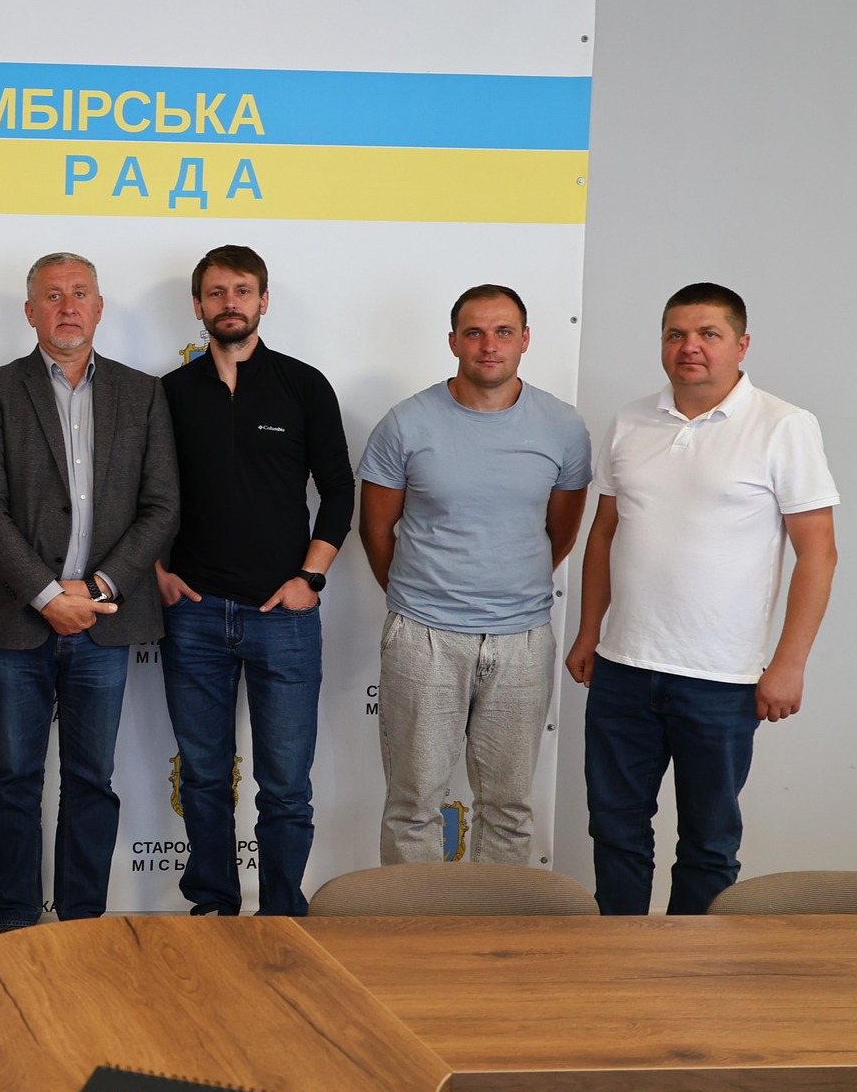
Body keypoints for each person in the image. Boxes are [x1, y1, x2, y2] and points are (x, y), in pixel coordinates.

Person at [567, 283, 837, 915]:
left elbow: (819, 552)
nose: (690, 347)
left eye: (708, 334)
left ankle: (692, 969)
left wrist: (789, 664)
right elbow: (603, 534)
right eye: (676, 334)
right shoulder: (631, 421)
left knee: (709, 843)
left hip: (721, 678)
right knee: (615, 830)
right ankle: (619, 958)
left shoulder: (783, 425)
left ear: (742, 345)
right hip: (623, 669)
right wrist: (589, 632)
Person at [0, 253, 178, 931]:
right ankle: (17, 925)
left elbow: (163, 506)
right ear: (30, 311)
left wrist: (98, 586)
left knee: (91, 779)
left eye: (80, 293)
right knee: (15, 778)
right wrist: (47, 594)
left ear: (99, 307)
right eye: (52, 295)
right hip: (18, 620)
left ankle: (83, 925)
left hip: (104, 622)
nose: (67, 306)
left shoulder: (143, 394)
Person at [358, 285, 590, 865]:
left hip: (523, 639)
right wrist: (425, 595)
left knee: (508, 807)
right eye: (475, 333)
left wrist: (507, 585)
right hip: (423, 637)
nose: (490, 345)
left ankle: (494, 921)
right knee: (414, 804)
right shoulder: (406, 423)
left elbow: (560, 532)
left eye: (503, 332)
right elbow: (376, 530)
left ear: (525, 340)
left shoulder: (563, 426)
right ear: (454, 341)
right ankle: (417, 923)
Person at [159, 244, 352, 917]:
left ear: (263, 301)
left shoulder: (303, 385)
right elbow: (141, 493)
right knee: (204, 777)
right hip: (194, 613)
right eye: (216, 293)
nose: (230, 303)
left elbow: (339, 491)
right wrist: (156, 571)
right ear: (198, 305)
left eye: (242, 291)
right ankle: (215, 908)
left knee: (286, 786)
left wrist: (310, 578)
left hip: (284, 617)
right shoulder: (170, 393)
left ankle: (281, 918)